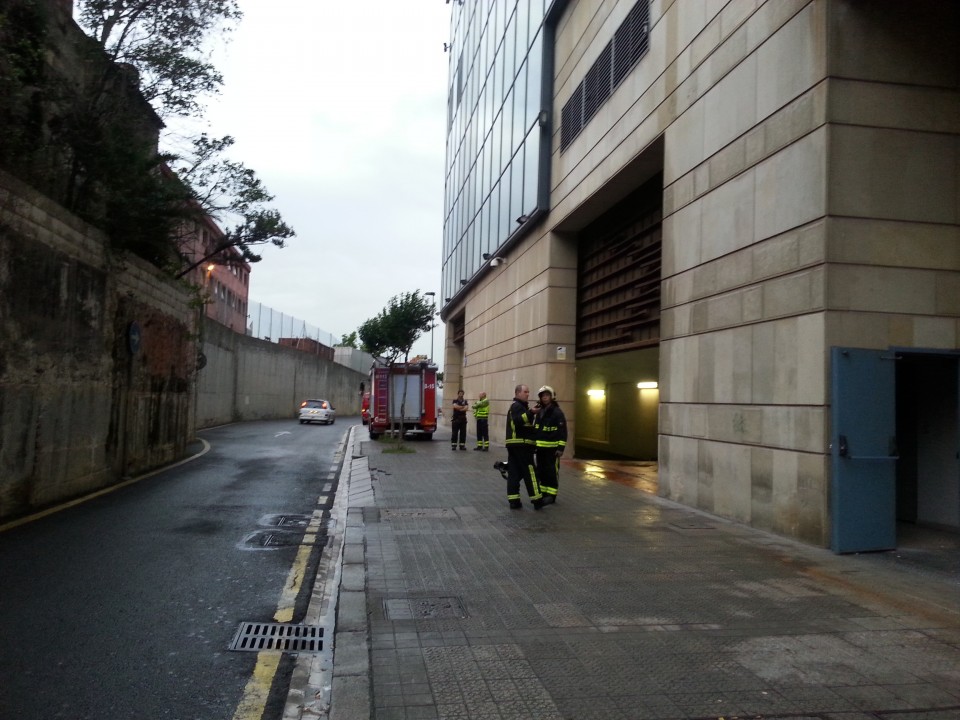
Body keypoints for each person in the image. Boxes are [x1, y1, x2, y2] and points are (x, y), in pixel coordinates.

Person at [505, 384, 544, 509]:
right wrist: (532, 412)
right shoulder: (517, 406)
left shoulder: (520, 407)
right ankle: (537, 500)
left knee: (514, 473)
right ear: (517, 393)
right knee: (530, 471)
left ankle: (514, 501)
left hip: (515, 445)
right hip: (521, 445)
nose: (528, 394)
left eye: (528, 392)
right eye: (525, 392)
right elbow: (518, 420)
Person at [532, 385, 567, 505]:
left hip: (552, 449)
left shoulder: (557, 412)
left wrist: (560, 448)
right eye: (543, 396)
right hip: (540, 448)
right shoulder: (540, 411)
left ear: (552, 397)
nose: (545, 398)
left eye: (547, 395)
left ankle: (552, 495)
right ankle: (544, 492)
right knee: (541, 471)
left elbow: (563, 431)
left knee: (551, 471)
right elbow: (536, 429)